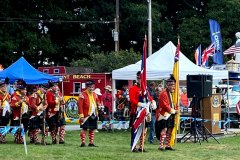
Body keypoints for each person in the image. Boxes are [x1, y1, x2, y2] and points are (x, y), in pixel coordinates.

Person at [129, 71, 154, 152]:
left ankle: (141, 146)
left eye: (142, 79)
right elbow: (132, 100)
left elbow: (149, 97)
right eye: (139, 78)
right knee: (135, 128)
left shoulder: (145, 89)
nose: (141, 80)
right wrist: (141, 104)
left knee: (144, 129)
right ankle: (134, 146)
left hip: (145, 112)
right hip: (136, 111)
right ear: (137, 79)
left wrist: (152, 102)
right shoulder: (133, 88)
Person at [155, 75, 178, 151]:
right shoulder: (164, 93)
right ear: (168, 85)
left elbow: (171, 104)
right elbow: (165, 105)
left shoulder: (171, 93)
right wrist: (173, 111)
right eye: (172, 86)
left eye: (174, 86)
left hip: (170, 114)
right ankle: (161, 145)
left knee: (170, 130)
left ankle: (168, 145)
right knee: (164, 129)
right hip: (164, 114)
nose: (173, 88)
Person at [78, 80, 99, 147]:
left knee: (92, 128)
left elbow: (96, 102)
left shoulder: (94, 94)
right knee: (84, 128)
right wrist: (81, 115)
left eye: (92, 87)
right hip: (85, 114)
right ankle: (83, 142)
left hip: (93, 114)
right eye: (90, 87)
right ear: (87, 87)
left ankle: (91, 142)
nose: (91, 88)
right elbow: (80, 105)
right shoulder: (82, 94)